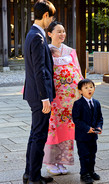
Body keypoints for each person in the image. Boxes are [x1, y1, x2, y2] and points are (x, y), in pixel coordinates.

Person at [43, 21, 83, 175]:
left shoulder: (70, 51)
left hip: (69, 100)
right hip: (54, 98)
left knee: (67, 129)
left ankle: (62, 161)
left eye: (63, 31)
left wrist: (82, 91)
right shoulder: (45, 50)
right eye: (58, 31)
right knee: (53, 129)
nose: (62, 34)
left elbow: (78, 72)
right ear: (50, 34)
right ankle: (51, 162)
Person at [22, 0, 56, 184]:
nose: (51, 21)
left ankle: (30, 173)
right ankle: (34, 177)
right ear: (45, 15)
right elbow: (39, 70)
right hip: (39, 96)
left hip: (34, 93)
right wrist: (45, 99)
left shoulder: (32, 34)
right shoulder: (38, 36)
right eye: (51, 18)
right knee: (39, 136)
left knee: (35, 134)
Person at [72, 79, 103, 184]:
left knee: (92, 154)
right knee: (84, 155)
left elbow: (100, 118)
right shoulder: (78, 104)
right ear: (80, 91)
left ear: (94, 88)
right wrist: (87, 128)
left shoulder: (96, 103)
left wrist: (99, 127)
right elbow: (76, 119)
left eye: (91, 87)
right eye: (86, 88)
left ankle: (91, 171)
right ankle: (84, 173)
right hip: (82, 136)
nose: (89, 89)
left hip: (93, 135)